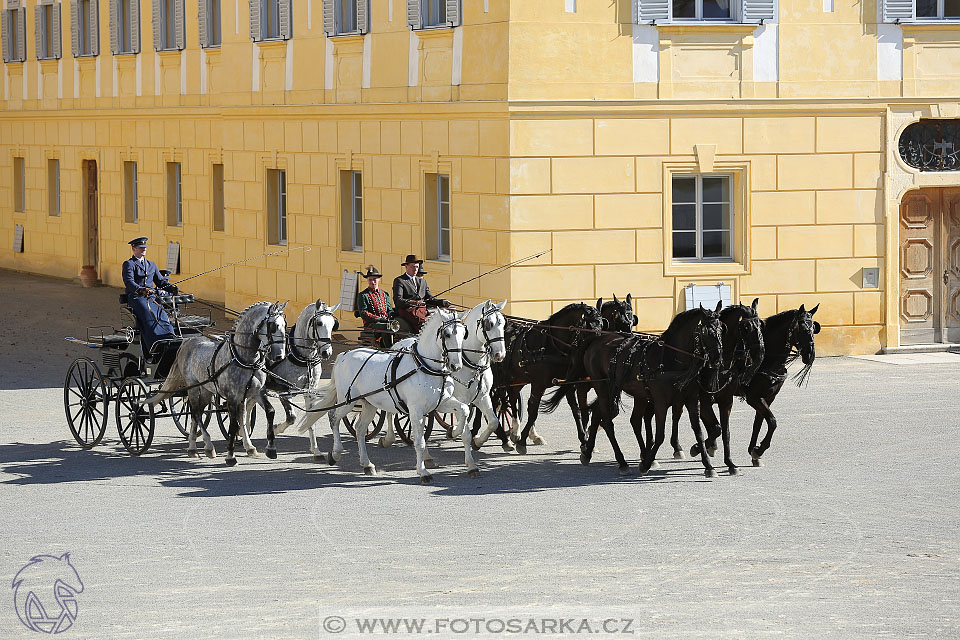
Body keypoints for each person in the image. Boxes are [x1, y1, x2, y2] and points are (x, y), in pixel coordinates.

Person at [121, 237, 179, 361]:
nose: (144, 249)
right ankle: (154, 345)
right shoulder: (129, 264)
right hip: (137, 298)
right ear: (134, 249)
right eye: (141, 248)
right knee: (148, 315)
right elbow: (129, 282)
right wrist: (141, 290)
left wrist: (171, 288)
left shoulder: (151, 264)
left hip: (152, 297)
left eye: (145, 248)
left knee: (162, 315)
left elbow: (160, 281)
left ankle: (169, 339)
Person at [392, 254, 449, 333]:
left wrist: (442, 302)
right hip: (409, 311)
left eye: (417, 267)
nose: (415, 269)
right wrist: (414, 302)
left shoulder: (422, 281)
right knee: (425, 322)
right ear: (406, 267)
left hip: (422, 311)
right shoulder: (400, 281)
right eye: (412, 267)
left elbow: (430, 299)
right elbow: (398, 301)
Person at [355, 265, 396, 347]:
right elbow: (364, 313)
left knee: (398, 325)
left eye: (374, 279)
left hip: (386, 322)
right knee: (387, 327)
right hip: (371, 324)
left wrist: (392, 316)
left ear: (379, 279)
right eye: (370, 280)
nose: (372, 282)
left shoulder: (385, 294)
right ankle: (388, 349)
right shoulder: (363, 295)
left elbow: (389, 310)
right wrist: (380, 319)